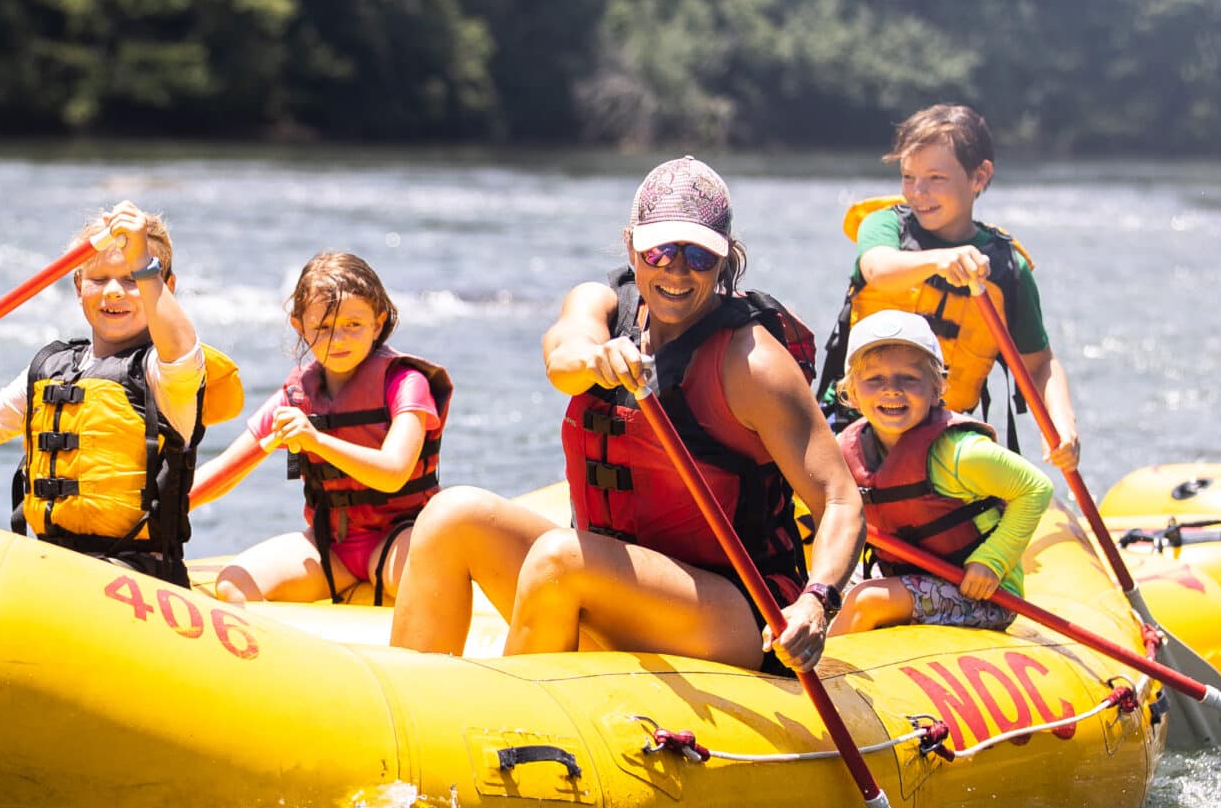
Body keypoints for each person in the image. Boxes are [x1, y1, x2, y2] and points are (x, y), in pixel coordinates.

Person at [390, 157, 863, 669]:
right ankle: (408, 717)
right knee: (449, 515)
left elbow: (840, 501)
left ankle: (514, 727)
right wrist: (596, 357)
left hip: (733, 613)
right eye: (659, 250)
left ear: (725, 260)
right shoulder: (601, 307)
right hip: (614, 591)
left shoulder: (751, 362)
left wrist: (818, 602)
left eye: (699, 256)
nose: (676, 270)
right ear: (631, 245)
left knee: (561, 558)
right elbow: (562, 358)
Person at [0, 202, 238, 587]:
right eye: (99, 279)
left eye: (132, 278)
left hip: (137, 577)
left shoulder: (166, 373)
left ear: (165, 287)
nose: (114, 292)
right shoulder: (53, 369)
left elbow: (182, 348)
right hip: (54, 565)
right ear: (77, 286)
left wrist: (144, 259)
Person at [816, 103, 1078, 468]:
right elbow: (877, 268)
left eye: (936, 178)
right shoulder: (885, 227)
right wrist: (940, 260)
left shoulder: (1008, 269)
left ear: (979, 176)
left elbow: (1040, 365)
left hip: (942, 438)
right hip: (853, 423)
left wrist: (1063, 425)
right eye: (909, 177)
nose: (918, 192)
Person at [191, 252, 451, 606]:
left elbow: (394, 473)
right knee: (233, 585)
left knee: (429, 587)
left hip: (398, 538)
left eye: (353, 325)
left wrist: (315, 440)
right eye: (324, 328)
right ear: (300, 327)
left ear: (378, 323)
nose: (338, 340)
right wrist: (156, 511)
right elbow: (224, 470)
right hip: (332, 549)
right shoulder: (297, 397)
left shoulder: (405, 382)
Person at [826, 311, 1055, 634]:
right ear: (851, 392)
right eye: (874, 379)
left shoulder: (959, 453)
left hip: (980, 594)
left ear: (937, 388)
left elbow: (1036, 487)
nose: (891, 389)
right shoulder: (845, 449)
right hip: (902, 576)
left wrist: (993, 560)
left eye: (908, 378)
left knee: (867, 599)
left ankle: (815, 677)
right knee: (823, 590)